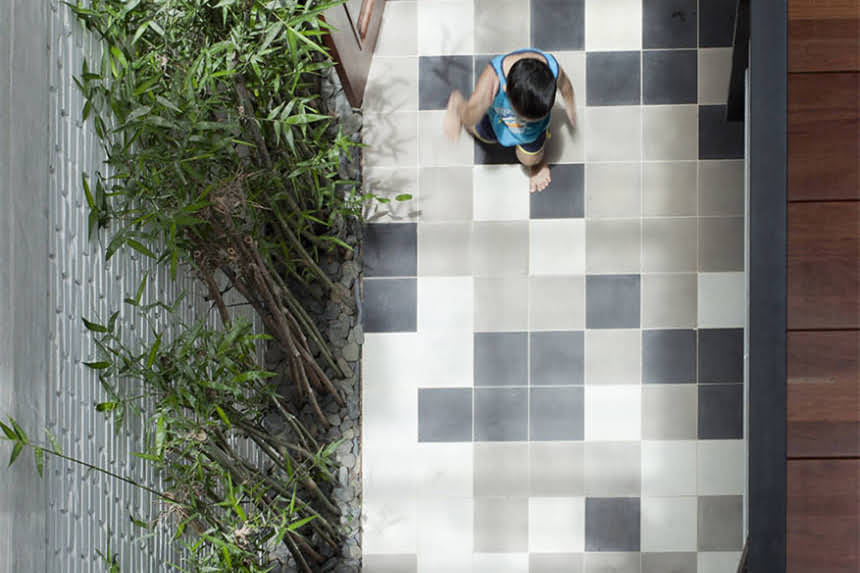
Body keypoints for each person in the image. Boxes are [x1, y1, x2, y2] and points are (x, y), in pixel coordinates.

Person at [443, 48, 577, 193]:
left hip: (531, 133)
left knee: (530, 159)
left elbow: (566, 87)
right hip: (498, 119)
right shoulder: (493, 78)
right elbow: (472, 114)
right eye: (524, 117)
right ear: (506, 90)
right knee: (473, 125)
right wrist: (469, 111)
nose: (529, 121)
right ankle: (457, 103)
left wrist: (570, 107)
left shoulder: (552, 69)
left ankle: (536, 165)